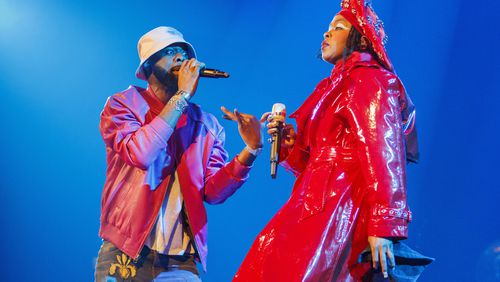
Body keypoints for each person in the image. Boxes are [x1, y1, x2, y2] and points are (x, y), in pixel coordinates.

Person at [234, 1, 422, 281]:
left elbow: (384, 153)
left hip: (344, 204)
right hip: (315, 201)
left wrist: (385, 224)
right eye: (327, 28)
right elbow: (311, 161)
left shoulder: (370, 80)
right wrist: (289, 141)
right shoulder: (332, 86)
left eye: (338, 27)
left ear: (361, 37)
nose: (326, 33)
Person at [94, 26, 264, 281]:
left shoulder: (206, 125)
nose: (180, 58)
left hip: (180, 262)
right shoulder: (123, 104)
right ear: (149, 66)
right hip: (126, 252)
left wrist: (250, 150)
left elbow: (212, 193)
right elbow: (140, 154)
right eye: (170, 51)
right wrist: (182, 96)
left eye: (184, 52)